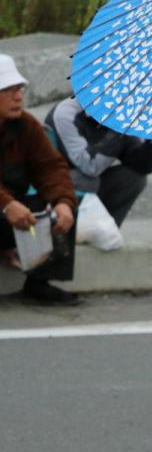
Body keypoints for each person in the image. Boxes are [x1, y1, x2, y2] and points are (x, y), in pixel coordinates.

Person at [0, 54, 79, 306]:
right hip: (5, 208)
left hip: (15, 210)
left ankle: (39, 283)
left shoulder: (26, 126)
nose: (18, 97)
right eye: (8, 90)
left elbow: (51, 167)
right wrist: (6, 204)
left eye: (19, 89)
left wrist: (63, 202)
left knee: (62, 212)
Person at [45, 95, 152, 227]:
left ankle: (106, 230)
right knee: (89, 180)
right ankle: (72, 231)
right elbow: (89, 166)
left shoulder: (117, 113)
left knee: (135, 179)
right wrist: (119, 129)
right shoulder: (65, 113)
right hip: (61, 184)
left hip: (91, 180)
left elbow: (146, 166)